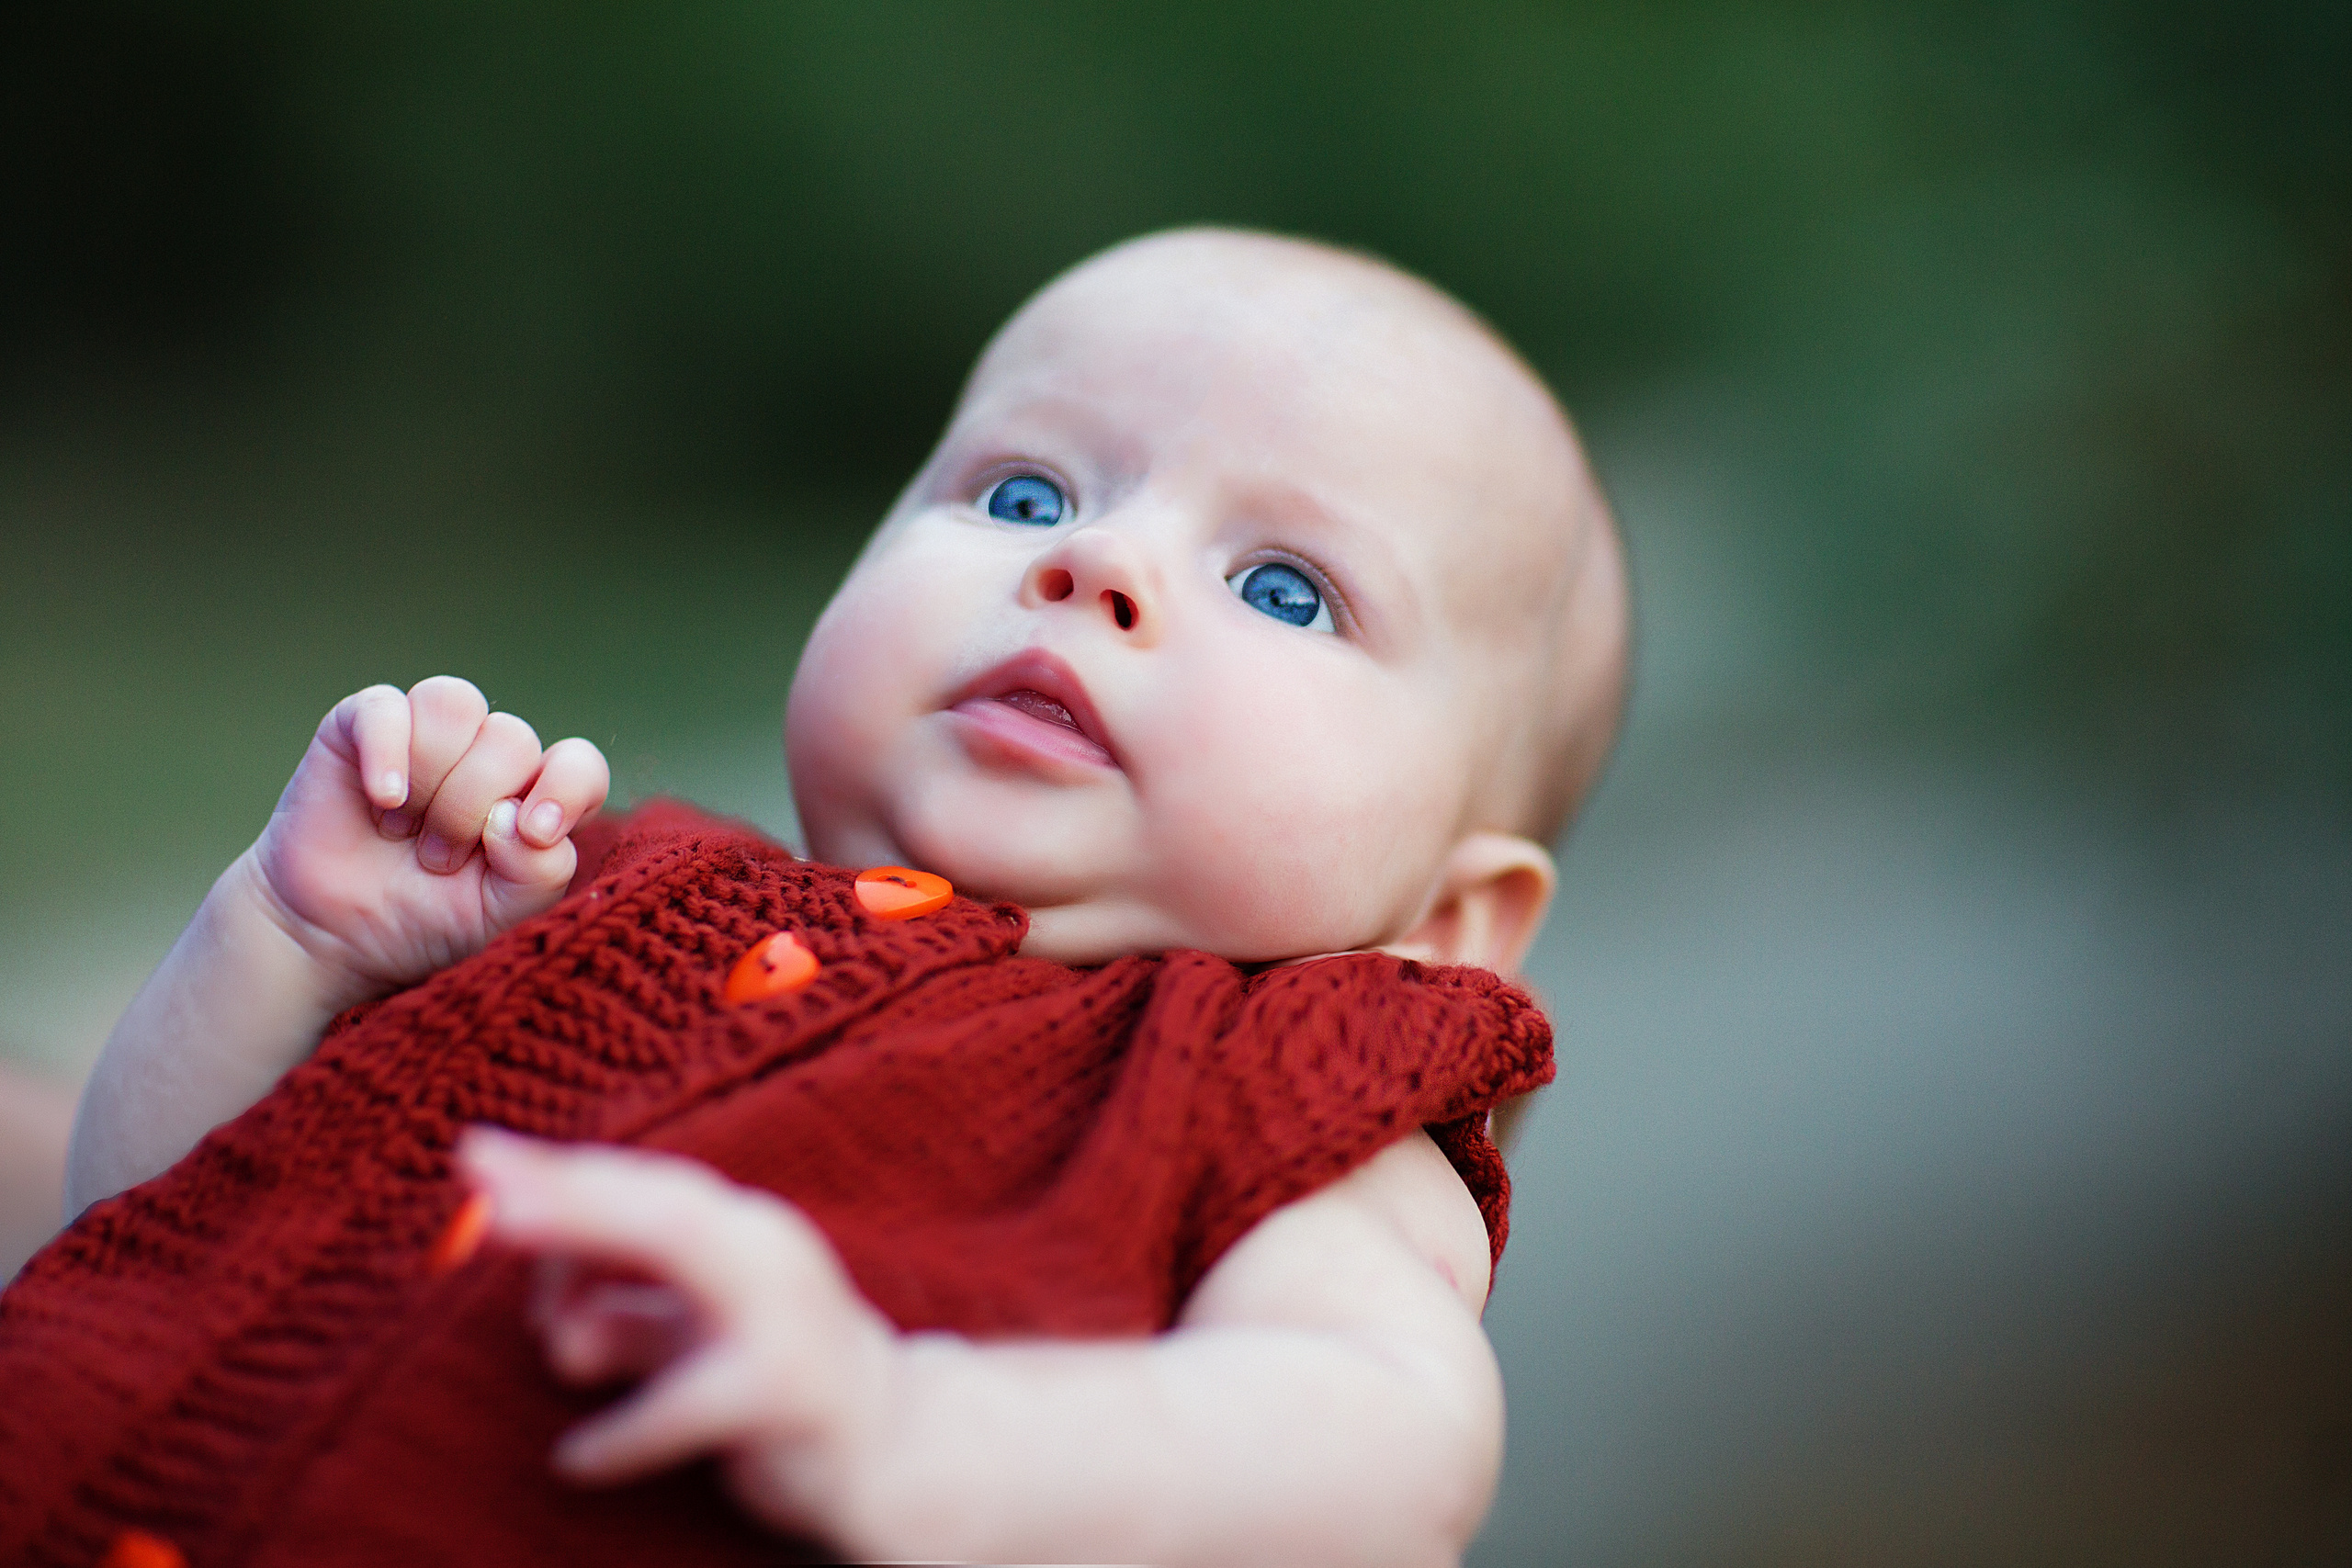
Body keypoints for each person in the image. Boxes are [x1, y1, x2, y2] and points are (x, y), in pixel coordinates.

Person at [17, 228, 1627, 1566]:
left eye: (1284, 588)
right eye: (1025, 495)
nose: (1093, 566)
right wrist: (283, 941)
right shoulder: (590, 883)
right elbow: (136, 1226)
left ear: (1451, 929)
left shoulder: (1294, 1099)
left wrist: (911, 1431)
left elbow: (1386, 1442)